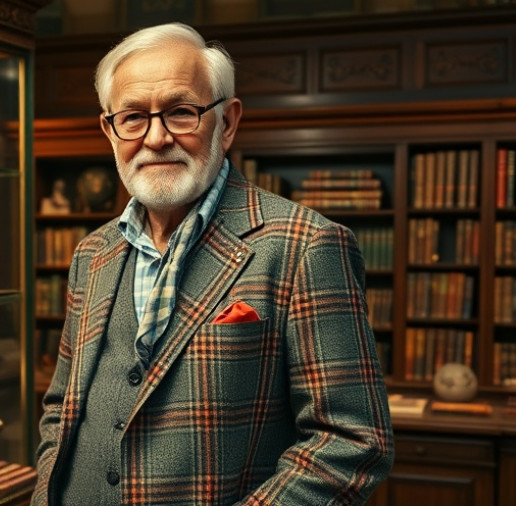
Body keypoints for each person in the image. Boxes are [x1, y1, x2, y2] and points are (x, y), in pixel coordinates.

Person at [31, 22, 394, 505]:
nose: (156, 138)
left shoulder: (306, 246)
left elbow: (351, 441)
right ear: (109, 130)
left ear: (227, 121)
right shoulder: (92, 254)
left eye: (182, 113)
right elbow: (62, 406)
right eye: (133, 117)